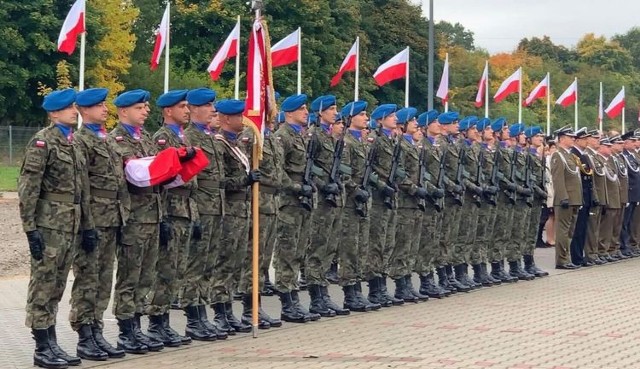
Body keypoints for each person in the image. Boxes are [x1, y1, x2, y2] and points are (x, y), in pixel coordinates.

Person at [20, 88, 95, 368]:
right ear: (53, 113)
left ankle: (52, 342)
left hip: (71, 225)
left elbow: (83, 190)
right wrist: (31, 229)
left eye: (75, 108)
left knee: (58, 286)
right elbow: (29, 188)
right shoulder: (43, 142)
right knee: (43, 285)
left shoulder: (74, 143)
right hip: (49, 225)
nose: (75, 112)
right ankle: (42, 346)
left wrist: (88, 225)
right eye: (68, 108)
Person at [70, 88, 128, 361]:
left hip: (112, 218)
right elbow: (81, 187)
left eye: (105, 105)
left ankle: (97, 330)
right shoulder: (81, 141)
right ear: (83, 111)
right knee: (87, 280)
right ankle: (84, 335)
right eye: (98, 105)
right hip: (93, 219)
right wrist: (86, 224)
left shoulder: (106, 140)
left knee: (104, 280)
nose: (105, 109)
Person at [110, 89, 164, 353]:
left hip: (152, 216)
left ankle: (138, 327)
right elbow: (119, 185)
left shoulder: (147, 141)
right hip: (132, 219)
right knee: (129, 277)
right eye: (140, 108)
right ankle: (125, 330)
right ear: (123, 111)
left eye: (146, 107)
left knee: (146, 276)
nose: (146, 111)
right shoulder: (116, 141)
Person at [147, 90, 195, 346]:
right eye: (182, 107)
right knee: (164, 270)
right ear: (168, 111)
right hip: (170, 211)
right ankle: (156, 322)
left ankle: (164, 321)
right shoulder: (162, 139)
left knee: (176, 270)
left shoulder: (182, 136)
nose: (187, 111)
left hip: (185, 211)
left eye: (188, 107)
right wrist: (162, 217)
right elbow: (159, 181)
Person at [181, 88, 228, 340]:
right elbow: (190, 182)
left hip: (216, 208)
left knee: (208, 265)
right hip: (201, 208)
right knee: (195, 266)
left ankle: (202, 314)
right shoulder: (189, 138)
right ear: (194, 109)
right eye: (209, 105)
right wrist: (195, 215)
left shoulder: (211, 137)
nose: (213, 110)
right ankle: (192, 318)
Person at [211, 99, 260, 333]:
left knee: (236, 264)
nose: (243, 120)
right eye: (239, 116)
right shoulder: (220, 145)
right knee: (225, 262)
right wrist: (245, 180)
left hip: (243, 211)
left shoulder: (237, 144)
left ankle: (229, 310)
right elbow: (220, 183)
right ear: (226, 119)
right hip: (229, 212)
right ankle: (220, 312)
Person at [305, 95, 349, 317]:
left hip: (333, 201)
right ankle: (316, 297)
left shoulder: (331, 137)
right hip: (321, 201)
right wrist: (324, 185)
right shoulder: (314, 136)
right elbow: (309, 166)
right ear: (320, 112)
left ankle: (323, 295)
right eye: (331, 109)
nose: (335, 112)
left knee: (328, 249)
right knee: (318, 249)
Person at [273, 94, 314, 323]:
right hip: (289, 202)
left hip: (302, 202)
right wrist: (297, 186)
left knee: (298, 252)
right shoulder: (283, 137)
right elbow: (278, 172)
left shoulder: (301, 137)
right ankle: (287, 302)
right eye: (301, 109)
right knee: (286, 253)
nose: (306, 112)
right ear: (289, 113)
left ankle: (294, 297)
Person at [338, 101, 381, 311]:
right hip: (350, 203)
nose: (366, 118)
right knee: (350, 248)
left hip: (364, 201)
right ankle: (349, 292)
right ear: (351, 117)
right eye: (362, 114)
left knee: (361, 247)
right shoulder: (345, 142)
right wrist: (356, 190)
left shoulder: (363, 143)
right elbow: (344, 173)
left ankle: (357, 290)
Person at [365, 104, 404, 307]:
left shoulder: (391, 140)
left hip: (391, 197)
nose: (395, 119)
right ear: (380, 119)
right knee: (376, 244)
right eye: (391, 116)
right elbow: (367, 169)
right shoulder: (374, 140)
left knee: (387, 243)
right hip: (379, 199)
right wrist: (382, 185)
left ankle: (381, 284)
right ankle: (374, 288)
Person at [389, 107, 427, 302]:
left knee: (411, 246)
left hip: (414, 202)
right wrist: (413, 188)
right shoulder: (400, 146)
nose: (416, 124)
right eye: (412, 121)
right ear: (403, 125)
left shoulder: (412, 145)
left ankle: (407, 282)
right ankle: (400, 285)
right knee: (402, 245)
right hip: (405, 201)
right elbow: (399, 172)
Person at [415, 110, 450, 297]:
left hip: (437, 199)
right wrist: (431, 188)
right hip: (427, 199)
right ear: (426, 125)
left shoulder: (435, 146)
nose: (439, 124)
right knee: (427, 242)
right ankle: (425, 280)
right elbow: (421, 174)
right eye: (435, 122)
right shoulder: (423, 146)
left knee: (435, 240)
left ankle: (436, 278)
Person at [489, 118, 518, 283]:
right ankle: (495, 268)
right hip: (498, 197)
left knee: (506, 234)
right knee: (497, 235)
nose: (509, 132)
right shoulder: (495, 151)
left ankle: (506, 266)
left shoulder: (504, 150)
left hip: (507, 197)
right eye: (505, 129)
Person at [550, 126, 582, 269]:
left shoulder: (570, 155)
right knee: (563, 230)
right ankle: (562, 260)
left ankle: (566, 257)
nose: (573, 139)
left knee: (570, 230)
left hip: (574, 199)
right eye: (570, 137)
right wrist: (563, 197)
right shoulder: (558, 155)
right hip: (565, 199)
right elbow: (558, 179)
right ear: (562, 139)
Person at [568, 128, 595, 266]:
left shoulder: (583, 155)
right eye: (584, 139)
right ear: (577, 140)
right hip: (580, 196)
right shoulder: (574, 155)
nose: (587, 141)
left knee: (583, 228)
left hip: (586, 195)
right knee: (577, 229)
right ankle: (576, 256)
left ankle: (580, 255)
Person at [583, 131, 607, 265]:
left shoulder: (596, 156)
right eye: (595, 138)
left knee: (596, 227)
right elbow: (592, 179)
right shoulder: (587, 155)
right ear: (588, 139)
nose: (598, 140)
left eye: (599, 138)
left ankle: (595, 252)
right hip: (594, 196)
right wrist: (595, 197)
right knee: (592, 227)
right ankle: (590, 254)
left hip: (600, 196)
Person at [619, 131, 640, 257]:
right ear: (625, 143)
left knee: (631, 221)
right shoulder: (624, 156)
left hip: (635, 193)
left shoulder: (631, 156)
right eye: (632, 141)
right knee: (625, 221)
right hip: (629, 192)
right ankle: (624, 246)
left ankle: (630, 245)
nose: (635, 143)